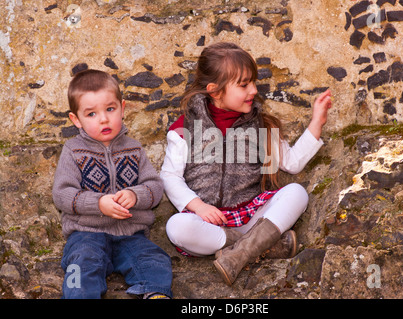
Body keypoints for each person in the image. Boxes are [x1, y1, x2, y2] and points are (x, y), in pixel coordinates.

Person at [161, 42, 332, 286]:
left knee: (296, 193)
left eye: (253, 82)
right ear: (215, 90)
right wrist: (198, 207)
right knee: (177, 227)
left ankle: (240, 254)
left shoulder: (260, 126)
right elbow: (169, 176)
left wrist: (317, 121)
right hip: (211, 225)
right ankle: (265, 246)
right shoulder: (184, 128)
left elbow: (292, 163)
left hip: (252, 217)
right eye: (243, 85)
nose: (253, 90)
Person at [52, 69, 172, 299]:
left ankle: (156, 293)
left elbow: (155, 187)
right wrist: (98, 203)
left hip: (131, 234)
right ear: (75, 119)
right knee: (79, 265)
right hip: (86, 233)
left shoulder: (134, 148)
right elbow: (62, 194)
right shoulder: (73, 151)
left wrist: (136, 195)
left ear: (122, 108)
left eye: (110, 109)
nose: (104, 119)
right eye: (91, 114)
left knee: (155, 259)